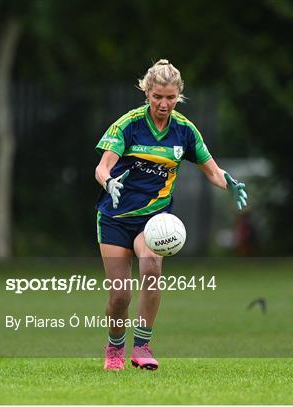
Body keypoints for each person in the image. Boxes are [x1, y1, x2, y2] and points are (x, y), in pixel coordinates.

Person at [94, 59, 248, 371]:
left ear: (179, 95)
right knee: (120, 295)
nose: (164, 104)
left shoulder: (185, 131)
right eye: (157, 97)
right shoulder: (129, 124)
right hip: (114, 217)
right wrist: (109, 182)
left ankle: (142, 346)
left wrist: (227, 183)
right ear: (146, 93)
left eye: (170, 98)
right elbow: (102, 166)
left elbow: (212, 170)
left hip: (154, 217)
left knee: (151, 266)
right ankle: (114, 347)